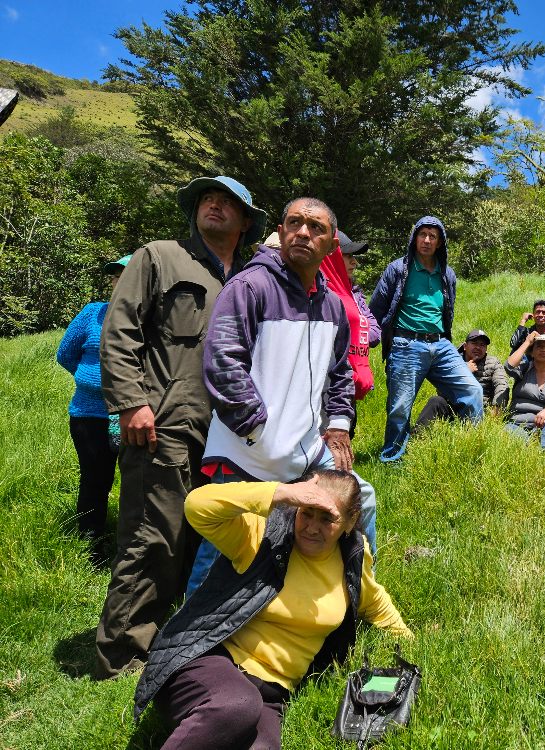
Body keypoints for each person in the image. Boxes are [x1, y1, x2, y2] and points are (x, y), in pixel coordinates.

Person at [95, 175, 268, 679]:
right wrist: (131, 403)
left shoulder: (252, 277)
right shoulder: (159, 257)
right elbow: (120, 329)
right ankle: (123, 655)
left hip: (230, 431)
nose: (213, 205)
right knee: (154, 536)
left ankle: (186, 637)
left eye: (227, 201)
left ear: (246, 219)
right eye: (205, 199)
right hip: (165, 423)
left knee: (208, 536)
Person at [133, 471, 411, 750]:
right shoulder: (263, 535)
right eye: (307, 513)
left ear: (350, 522)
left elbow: (373, 600)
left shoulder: (353, 555)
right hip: (208, 661)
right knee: (237, 706)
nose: (312, 527)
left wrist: (409, 641)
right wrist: (279, 493)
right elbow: (197, 505)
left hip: (270, 694)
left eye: (327, 518)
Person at [187, 198, 380, 597]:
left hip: (306, 450)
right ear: (282, 230)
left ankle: (354, 598)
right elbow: (223, 362)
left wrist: (340, 426)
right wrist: (258, 429)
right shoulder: (249, 286)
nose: (304, 233)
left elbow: (340, 371)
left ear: (331, 246)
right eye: (295, 223)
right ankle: (190, 638)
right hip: (245, 451)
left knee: (360, 499)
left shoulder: (331, 306)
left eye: (316, 227)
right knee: (222, 549)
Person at [369, 216, 483, 462]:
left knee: (472, 390)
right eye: (423, 234)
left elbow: (447, 310)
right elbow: (376, 308)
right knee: (399, 407)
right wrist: (368, 339)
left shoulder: (447, 274)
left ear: (440, 242)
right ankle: (392, 459)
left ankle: (471, 449)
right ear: (414, 237)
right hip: (406, 343)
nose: (427, 240)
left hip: (441, 344)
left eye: (433, 236)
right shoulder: (398, 269)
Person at [56, 254, 131, 550]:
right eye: (116, 277)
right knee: (94, 480)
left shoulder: (153, 320)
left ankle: (131, 543)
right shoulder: (92, 314)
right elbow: (65, 354)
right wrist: (90, 381)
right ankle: (91, 541)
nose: (121, 282)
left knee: (137, 484)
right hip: (89, 415)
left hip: (134, 416)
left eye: (129, 276)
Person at [321, 230, 381, 438]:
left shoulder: (352, 292)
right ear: (332, 257)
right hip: (329, 387)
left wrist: (358, 330)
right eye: (348, 256)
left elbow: (374, 329)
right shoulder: (321, 294)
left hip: (349, 386)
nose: (354, 262)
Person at [415, 329, 509, 429]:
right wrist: (464, 370)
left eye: (482, 345)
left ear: (486, 349)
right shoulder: (452, 360)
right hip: (453, 406)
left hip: (480, 410)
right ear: (465, 346)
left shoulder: (493, 363)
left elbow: (502, 385)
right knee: (435, 401)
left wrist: (496, 409)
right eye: (474, 343)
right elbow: (441, 389)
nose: (478, 347)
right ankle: (417, 436)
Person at [504, 331, 545, 449]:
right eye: (539, 347)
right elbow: (509, 366)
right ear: (532, 352)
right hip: (517, 422)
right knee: (514, 436)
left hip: (544, 422)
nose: (543, 350)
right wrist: (527, 342)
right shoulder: (524, 368)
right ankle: (528, 443)